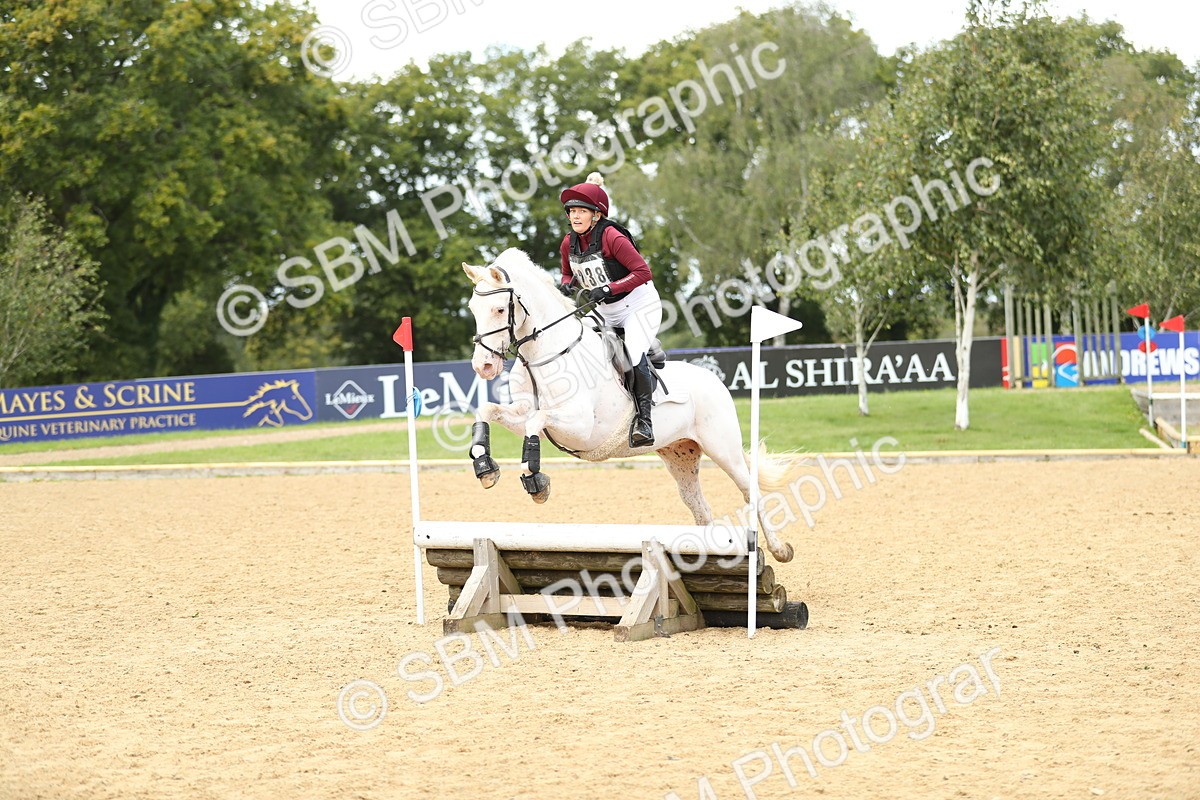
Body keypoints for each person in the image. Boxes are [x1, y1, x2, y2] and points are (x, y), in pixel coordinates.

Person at [557, 172, 662, 448]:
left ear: (596, 215)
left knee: (634, 350)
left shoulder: (612, 237)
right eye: (572, 211)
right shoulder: (569, 243)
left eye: (582, 211)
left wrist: (608, 289)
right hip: (606, 311)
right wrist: (567, 285)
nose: (575, 217)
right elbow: (568, 273)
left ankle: (644, 421)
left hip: (639, 305)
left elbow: (642, 271)